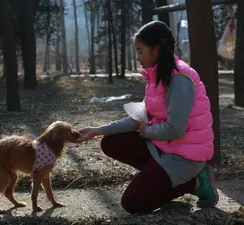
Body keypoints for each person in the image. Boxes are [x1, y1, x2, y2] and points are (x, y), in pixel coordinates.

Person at [75, 20, 219, 214]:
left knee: (132, 203)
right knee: (110, 141)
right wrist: (98, 130)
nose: (138, 57)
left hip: (184, 157)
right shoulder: (156, 77)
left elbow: (176, 129)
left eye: (140, 51)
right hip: (164, 147)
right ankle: (158, 182)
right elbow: (138, 119)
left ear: (157, 49)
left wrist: (147, 131)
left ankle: (196, 182)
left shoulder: (180, 79)